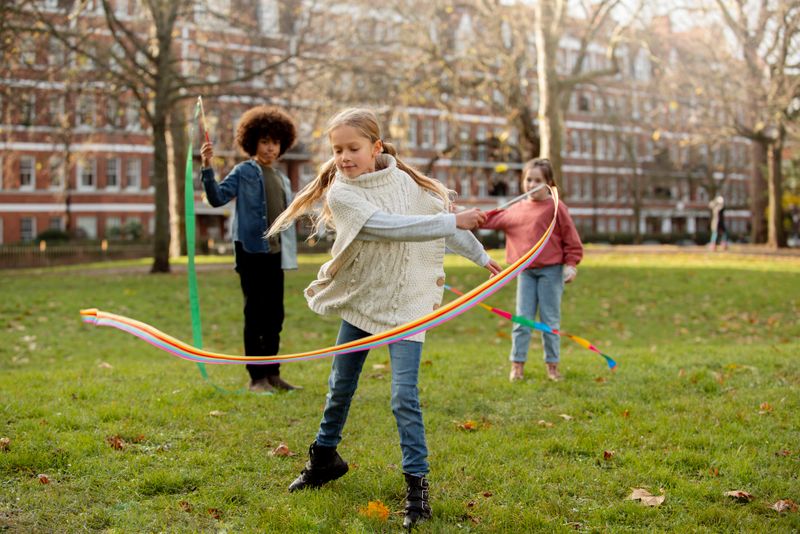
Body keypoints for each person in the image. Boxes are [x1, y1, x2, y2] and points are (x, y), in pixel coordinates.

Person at [267, 108, 501, 529]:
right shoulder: (342, 192)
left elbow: (445, 229)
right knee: (340, 386)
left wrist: (483, 258)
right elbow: (388, 227)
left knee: (403, 397)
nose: (343, 157)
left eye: (352, 148)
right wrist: (450, 217)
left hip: (408, 305)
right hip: (363, 298)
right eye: (337, 150)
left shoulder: (409, 183)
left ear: (376, 147)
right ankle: (324, 460)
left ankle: (417, 487)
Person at [199, 105, 300, 393]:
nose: (271, 148)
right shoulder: (244, 172)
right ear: (253, 142)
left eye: (276, 142)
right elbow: (217, 198)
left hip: (275, 254)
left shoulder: (281, 178)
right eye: (265, 141)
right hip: (251, 252)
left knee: (275, 316)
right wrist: (207, 166)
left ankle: (273, 374)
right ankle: (256, 378)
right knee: (255, 315)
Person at [481, 158, 583, 382]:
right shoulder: (516, 209)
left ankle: (552, 367)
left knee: (549, 321)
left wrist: (571, 265)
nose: (531, 184)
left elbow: (571, 239)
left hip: (551, 271)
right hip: (525, 272)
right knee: (522, 320)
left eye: (538, 180)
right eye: (528, 179)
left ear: (548, 183)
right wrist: (459, 215)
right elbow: (489, 220)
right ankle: (517, 366)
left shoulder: (556, 208)